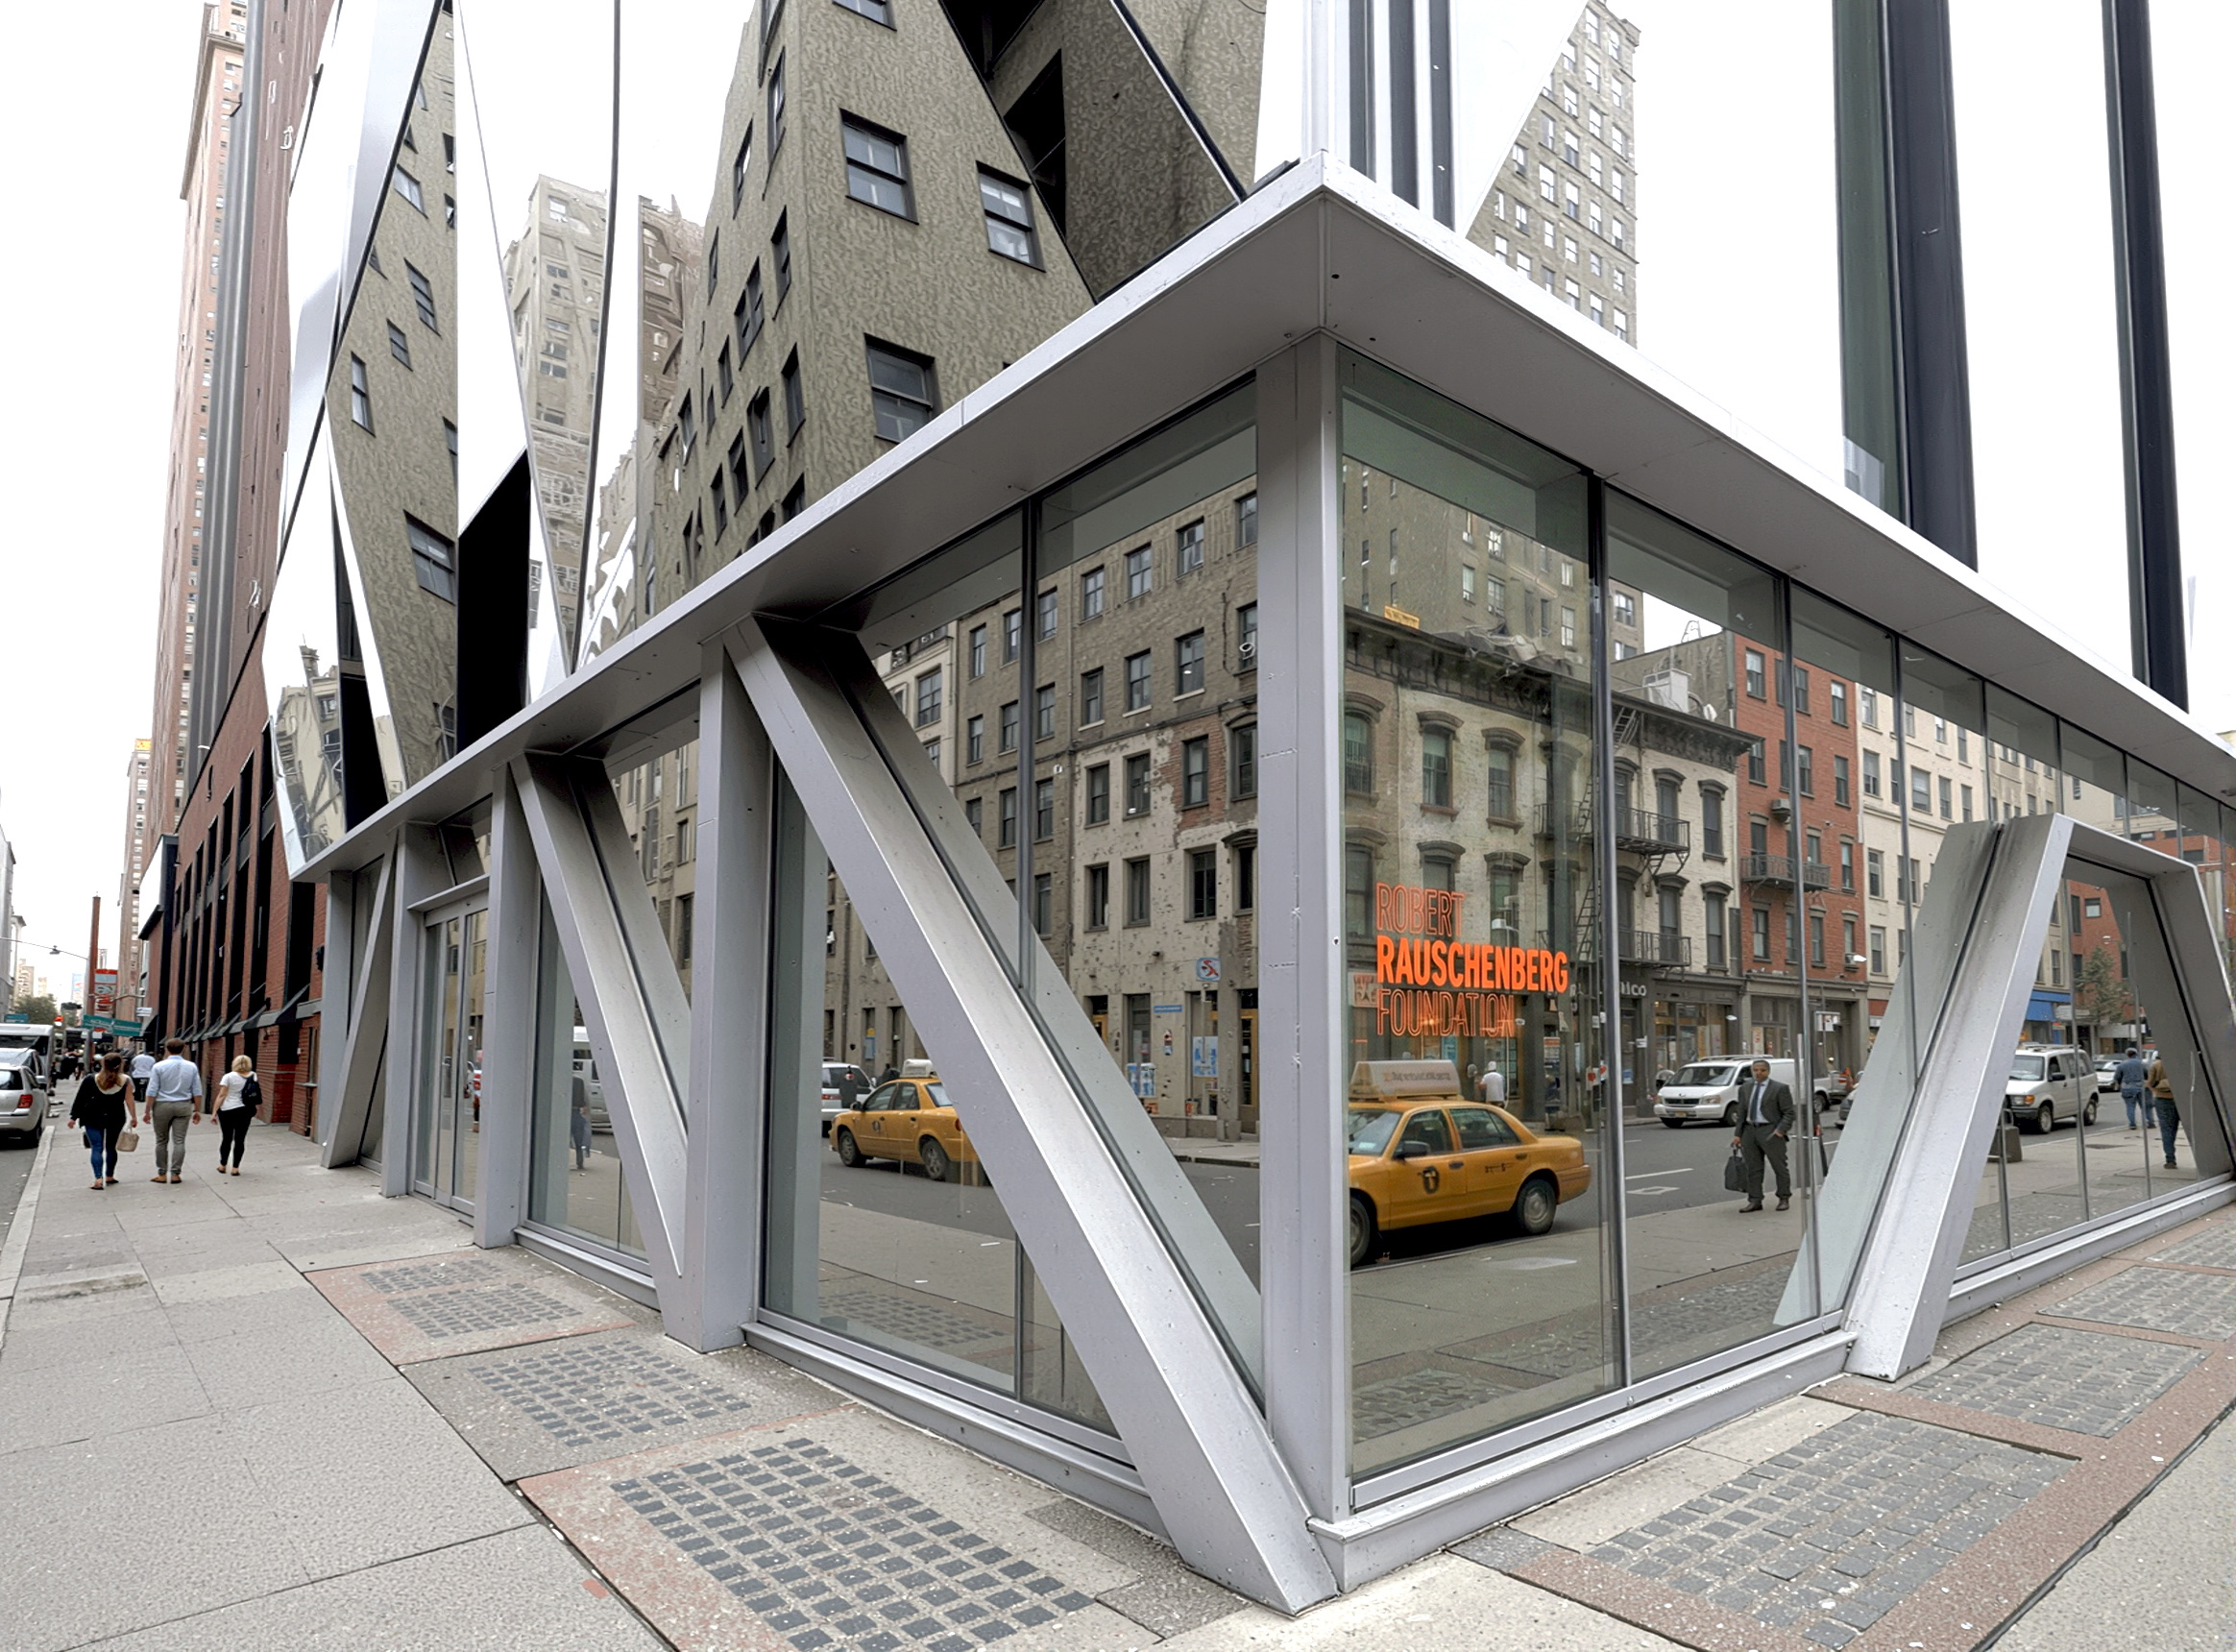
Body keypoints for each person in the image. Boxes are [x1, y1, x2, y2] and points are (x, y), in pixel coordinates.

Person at [1729, 1057, 1795, 1212]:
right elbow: (1741, 1113)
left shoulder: (1779, 1088)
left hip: (1770, 1131)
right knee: (1753, 1168)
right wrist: (1738, 1134)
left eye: (1762, 1070)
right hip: (1750, 1130)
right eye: (1755, 1070)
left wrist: (1780, 1130)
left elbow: (1789, 1112)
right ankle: (1755, 1200)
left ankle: (1783, 1197)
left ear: (1768, 1071)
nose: (1758, 1073)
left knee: (1779, 1166)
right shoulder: (1745, 1088)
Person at [69, 1054, 135, 1190]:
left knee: (97, 1148)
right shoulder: (126, 1081)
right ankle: (110, 1175)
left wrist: (73, 1117)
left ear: (103, 1064)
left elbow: (80, 1099)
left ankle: (98, 1179)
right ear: (121, 1064)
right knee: (111, 1147)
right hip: (116, 1116)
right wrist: (134, 1117)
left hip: (91, 1116)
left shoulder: (90, 1079)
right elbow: (129, 1100)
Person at [145, 1037, 202, 1183]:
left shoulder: (159, 1067)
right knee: (179, 1140)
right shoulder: (191, 1067)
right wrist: (197, 1110)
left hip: (162, 1105)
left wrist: (147, 1111)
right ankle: (175, 1173)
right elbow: (197, 1090)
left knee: (161, 1140)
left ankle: (162, 1173)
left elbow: (152, 1090)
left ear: (167, 1049)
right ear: (183, 1049)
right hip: (183, 1105)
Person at [213, 1054, 256, 1175]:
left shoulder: (228, 1077)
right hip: (245, 1110)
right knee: (240, 1139)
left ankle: (223, 1165)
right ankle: (235, 1168)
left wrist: (214, 1111)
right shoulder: (253, 1075)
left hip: (227, 1109)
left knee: (226, 1138)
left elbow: (222, 1095)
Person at [2146, 1051, 2180, 1170]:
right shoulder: (2179, 1064)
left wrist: (2156, 1092)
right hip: (2181, 1099)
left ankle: (2170, 1159)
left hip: (2162, 1099)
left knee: (2167, 1130)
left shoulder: (2156, 1065)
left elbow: (2149, 1083)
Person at [2114, 1045, 2149, 1131]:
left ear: (2127, 1055)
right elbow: (2147, 1075)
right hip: (2140, 1086)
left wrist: (2119, 1084)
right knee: (2143, 1106)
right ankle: (2147, 1121)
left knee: (2130, 1106)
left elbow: (2117, 1076)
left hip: (2127, 1087)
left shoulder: (2122, 1064)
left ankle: (2132, 1124)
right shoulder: (2141, 1064)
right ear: (2136, 1054)